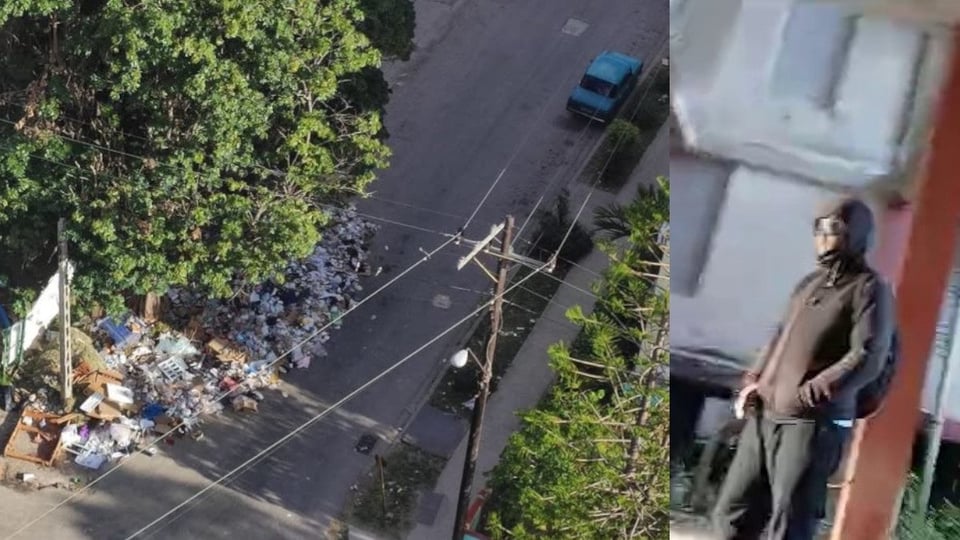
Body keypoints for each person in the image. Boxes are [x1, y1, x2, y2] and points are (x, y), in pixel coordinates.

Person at [711, 197, 895, 540]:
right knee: (732, 514)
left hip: (812, 424)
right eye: (819, 228)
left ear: (856, 233)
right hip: (766, 416)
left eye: (834, 229)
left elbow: (868, 354)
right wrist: (754, 382)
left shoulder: (869, 289)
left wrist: (811, 393)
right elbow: (778, 338)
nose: (824, 237)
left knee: (790, 524)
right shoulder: (809, 284)